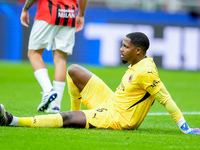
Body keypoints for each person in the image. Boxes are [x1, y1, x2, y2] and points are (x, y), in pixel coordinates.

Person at [0, 32, 200, 134]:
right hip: (111, 103)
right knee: (74, 71)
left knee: (66, 118)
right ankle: (77, 116)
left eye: (126, 46)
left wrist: (185, 128)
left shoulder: (146, 72)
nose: (121, 49)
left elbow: (166, 100)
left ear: (138, 50)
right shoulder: (138, 63)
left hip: (117, 119)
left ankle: (12, 120)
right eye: (122, 45)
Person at [20, 0, 88, 113]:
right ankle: (55, 106)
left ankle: (48, 90)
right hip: (69, 14)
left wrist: (25, 8)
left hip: (48, 11)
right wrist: (81, 14)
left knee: (34, 53)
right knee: (60, 59)